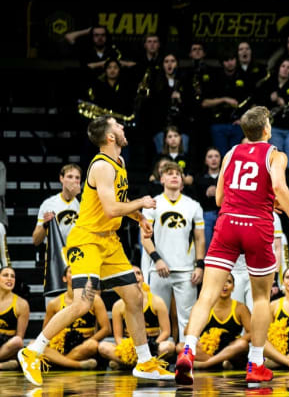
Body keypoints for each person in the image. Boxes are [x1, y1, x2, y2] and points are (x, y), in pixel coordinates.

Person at [18, 115, 173, 386]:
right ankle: (32, 351)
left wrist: (141, 218)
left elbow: (119, 202)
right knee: (82, 303)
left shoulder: (120, 162)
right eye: (118, 126)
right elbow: (113, 209)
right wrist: (143, 203)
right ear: (110, 137)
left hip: (109, 241)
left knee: (134, 297)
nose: (124, 128)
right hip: (87, 240)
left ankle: (145, 361)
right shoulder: (101, 166)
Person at [174, 106, 289, 385]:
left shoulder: (231, 153)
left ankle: (187, 348)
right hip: (257, 225)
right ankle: (256, 363)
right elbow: (280, 187)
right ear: (267, 129)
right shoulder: (275, 154)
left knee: (207, 295)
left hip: (228, 224)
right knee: (260, 299)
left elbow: (220, 199)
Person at [141, 161, 205, 339]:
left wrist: (200, 265)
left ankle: (187, 354)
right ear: (161, 179)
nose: (174, 176)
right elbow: (144, 238)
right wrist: (157, 259)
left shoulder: (193, 206)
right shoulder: (152, 205)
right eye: (169, 173)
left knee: (188, 318)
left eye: (178, 174)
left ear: (183, 181)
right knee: (158, 317)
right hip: (158, 269)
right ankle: (161, 352)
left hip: (186, 270)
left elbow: (200, 238)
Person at [99, 265, 175, 369]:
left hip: (153, 345)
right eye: (131, 274)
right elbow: (118, 336)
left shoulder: (157, 302)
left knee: (169, 346)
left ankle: (126, 364)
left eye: (138, 273)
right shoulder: (118, 305)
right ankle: (149, 363)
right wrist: (126, 350)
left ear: (143, 278)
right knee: (103, 347)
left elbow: (166, 332)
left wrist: (152, 346)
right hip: (130, 346)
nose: (135, 277)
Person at [32, 164, 82, 303]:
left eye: (77, 178)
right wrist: (45, 225)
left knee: (84, 308)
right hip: (56, 262)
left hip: (79, 259)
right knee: (53, 307)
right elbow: (35, 240)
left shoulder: (85, 204)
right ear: (61, 179)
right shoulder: (49, 204)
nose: (74, 181)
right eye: (70, 176)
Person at [42, 267, 109, 370]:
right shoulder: (54, 304)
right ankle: (76, 365)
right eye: (72, 272)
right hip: (61, 345)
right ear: (64, 278)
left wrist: (91, 340)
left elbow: (106, 329)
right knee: (35, 345)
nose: (75, 275)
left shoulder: (95, 300)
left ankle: (58, 363)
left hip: (83, 344)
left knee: (92, 345)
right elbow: (45, 331)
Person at [0, 266, 29, 370]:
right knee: (13, 364)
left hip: (6, 347)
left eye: (12, 276)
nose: (9, 278)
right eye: (5, 275)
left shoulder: (22, 304)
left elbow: (20, 337)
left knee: (17, 341)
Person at [195, 147, 222, 250]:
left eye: (216, 156)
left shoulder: (228, 176)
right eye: (210, 157)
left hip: (223, 214)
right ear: (206, 161)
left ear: (221, 159)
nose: (214, 159)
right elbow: (196, 199)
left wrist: (219, 190)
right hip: (206, 213)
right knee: (205, 243)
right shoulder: (199, 178)